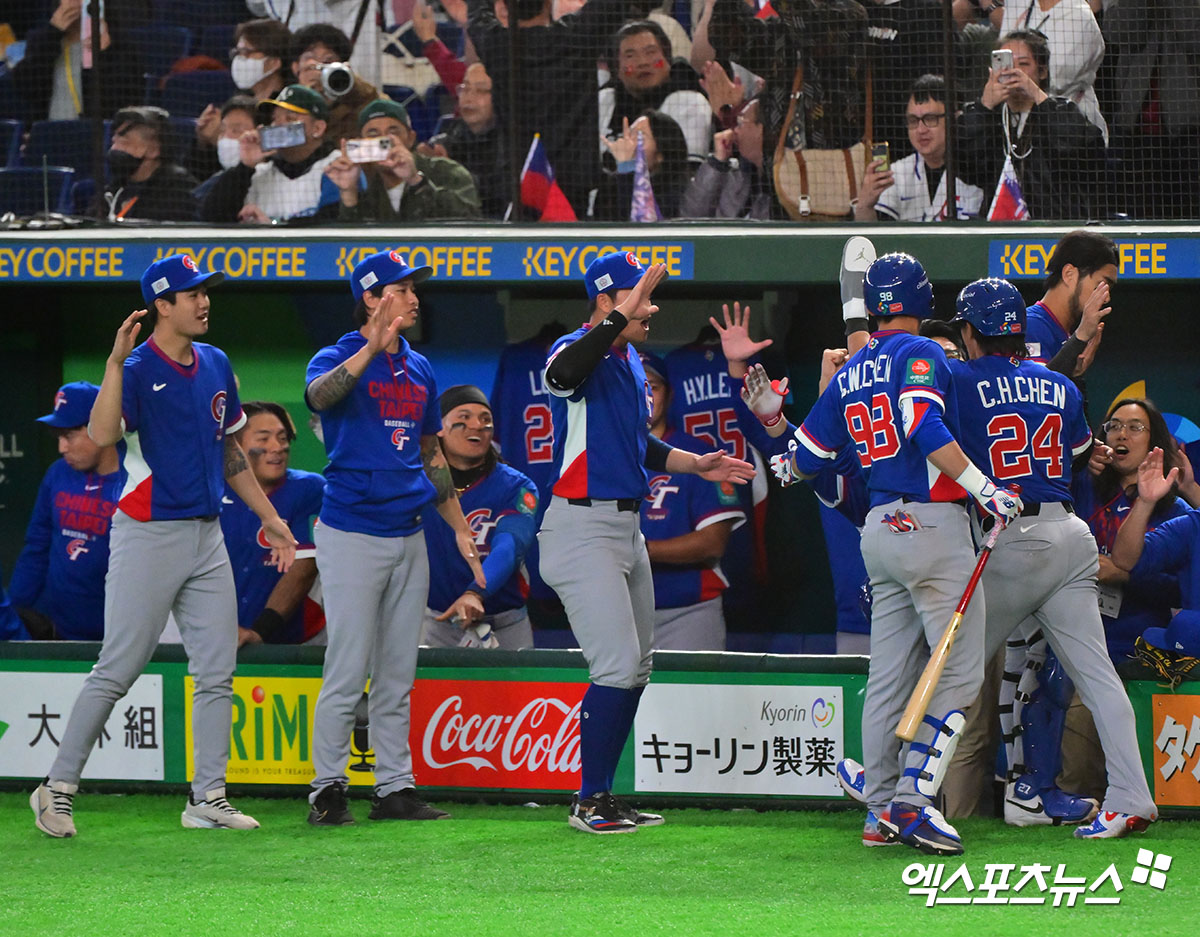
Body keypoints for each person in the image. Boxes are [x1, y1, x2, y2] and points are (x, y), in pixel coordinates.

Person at [752, 253, 1022, 855]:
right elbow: (922, 423)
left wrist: (774, 422)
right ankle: (912, 803)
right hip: (932, 526)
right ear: (922, 302)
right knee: (959, 674)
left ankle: (878, 811)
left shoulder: (851, 370)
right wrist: (987, 489)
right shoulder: (921, 351)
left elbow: (797, 464)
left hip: (879, 530)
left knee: (888, 677)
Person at [29, 254, 298, 839]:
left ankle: (208, 797)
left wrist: (270, 517)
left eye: (205, 291)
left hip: (207, 533)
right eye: (191, 293)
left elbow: (230, 452)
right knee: (118, 667)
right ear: (162, 306)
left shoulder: (216, 361)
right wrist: (113, 363)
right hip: (148, 531)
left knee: (217, 669)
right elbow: (103, 435)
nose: (204, 301)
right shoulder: (136, 366)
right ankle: (56, 788)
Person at [540, 252, 755, 833]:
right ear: (606, 302)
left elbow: (638, 442)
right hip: (580, 524)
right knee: (614, 665)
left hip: (624, 526)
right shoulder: (576, 346)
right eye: (639, 297)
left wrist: (695, 464)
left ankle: (603, 794)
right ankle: (587, 800)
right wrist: (616, 317)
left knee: (636, 669)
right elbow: (560, 377)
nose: (651, 308)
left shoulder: (630, 358)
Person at [946, 278, 1156, 839]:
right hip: (1069, 534)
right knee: (1099, 676)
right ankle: (1131, 798)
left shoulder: (959, 378)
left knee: (952, 669)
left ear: (969, 332)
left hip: (1013, 537)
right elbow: (1084, 453)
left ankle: (898, 790)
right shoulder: (1057, 384)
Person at [304, 249, 484, 826]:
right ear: (371, 297)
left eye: (413, 288)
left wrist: (459, 527)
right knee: (346, 667)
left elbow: (431, 453)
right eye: (402, 288)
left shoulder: (420, 367)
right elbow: (319, 397)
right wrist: (370, 350)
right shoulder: (337, 354)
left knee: (398, 671)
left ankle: (394, 789)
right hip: (352, 531)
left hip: (410, 532)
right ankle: (327, 790)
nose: (413, 297)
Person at [466, 0, 628, 217]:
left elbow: (477, 13)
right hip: (572, 187)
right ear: (548, 4)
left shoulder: (497, 46)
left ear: (505, 7)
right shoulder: (577, 37)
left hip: (518, 184)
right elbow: (611, 5)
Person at [1081, 398, 1200, 665]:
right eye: (1114, 426)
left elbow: (1180, 589)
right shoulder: (1082, 488)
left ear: (1153, 442)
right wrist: (1079, 461)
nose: (1122, 434)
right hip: (1077, 632)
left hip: (1141, 643)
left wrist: (1123, 576)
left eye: (1135, 427)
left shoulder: (1177, 509)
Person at [639, 353, 745, 651]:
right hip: (618, 610)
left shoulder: (699, 456)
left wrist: (639, 551)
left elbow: (713, 543)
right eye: (636, 386)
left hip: (687, 612)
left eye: (653, 387)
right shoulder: (604, 457)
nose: (646, 396)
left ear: (670, 395)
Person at [421, 385, 540, 650]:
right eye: (463, 418)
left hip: (505, 626)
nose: (477, 425)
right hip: (438, 625)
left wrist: (475, 592)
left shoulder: (515, 486)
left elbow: (509, 546)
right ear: (439, 428)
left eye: (485, 419)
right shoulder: (417, 484)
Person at [6, 382, 124, 642]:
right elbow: (37, 547)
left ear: (100, 426)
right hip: (56, 631)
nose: (62, 448)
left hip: (116, 636)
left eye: (69, 435)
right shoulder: (57, 473)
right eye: (58, 437)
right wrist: (16, 612)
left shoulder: (136, 484)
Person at [957, 30, 1106, 220]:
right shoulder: (987, 118)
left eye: (1023, 64)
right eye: (1006, 64)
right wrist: (984, 107)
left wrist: (1037, 94)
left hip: (1055, 223)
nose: (1013, 71)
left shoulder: (1061, 111)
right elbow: (967, 168)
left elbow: (1087, 153)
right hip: (999, 225)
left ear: (1042, 71)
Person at [220, 401, 325, 648]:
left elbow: (303, 569)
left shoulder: (310, 490)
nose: (277, 447)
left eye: (282, 438)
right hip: (220, 639)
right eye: (263, 438)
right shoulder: (211, 491)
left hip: (302, 644)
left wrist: (259, 632)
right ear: (235, 446)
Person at [199, 84, 341, 224]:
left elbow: (333, 222)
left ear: (317, 128)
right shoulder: (260, 173)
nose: (278, 125)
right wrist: (245, 167)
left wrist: (274, 226)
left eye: (290, 118)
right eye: (274, 119)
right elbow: (212, 217)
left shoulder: (338, 165)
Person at [325, 99, 481, 221]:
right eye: (373, 134)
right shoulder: (371, 188)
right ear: (362, 143)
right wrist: (349, 193)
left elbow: (470, 220)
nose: (385, 142)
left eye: (393, 133)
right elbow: (356, 245)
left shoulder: (446, 171)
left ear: (410, 138)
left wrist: (415, 180)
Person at [854, 75, 985, 222]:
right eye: (913, 120)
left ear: (955, 119)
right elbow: (876, 233)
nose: (921, 130)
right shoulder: (896, 174)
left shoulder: (977, 173)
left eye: (930, 119)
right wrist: (865, 206)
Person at [9, 0, 142, 125]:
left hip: (94, 133)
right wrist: (53, 32)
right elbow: (25, 87)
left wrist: (106, 53)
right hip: (50, 131)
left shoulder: (118, 44)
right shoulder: (41, 40)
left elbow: (124, 98)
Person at [598, 20, 712, 162]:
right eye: (630, 56)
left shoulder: (689, 102)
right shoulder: (604, 100)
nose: (643, 62)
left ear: (668, 60)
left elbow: (688, 169)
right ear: (616, 69)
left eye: (650, 52)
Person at [1000, 0, 1107, 138]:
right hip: (1017, 121)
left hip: (1068, 127)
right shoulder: (1019, 4)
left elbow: (1058, 81)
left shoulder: (1080, 15)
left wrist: (1015, 82)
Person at [423, 63, 510, 219]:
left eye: (481, 90)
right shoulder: (445, 140)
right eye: (465, 88)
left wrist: (450, 171)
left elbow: (498, 198)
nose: (469, 98)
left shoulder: (512, 143)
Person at [1024, 230, 1117, 375]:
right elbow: (1035, 385)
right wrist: (1080, 337)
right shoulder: (1028, 326)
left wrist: (1075, 373)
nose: (1106, 298)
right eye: (1101, 285)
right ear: (1069, 274)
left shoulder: (1063, 334)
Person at [90, 106, 198, 223]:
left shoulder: (179, 189)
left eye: (124, 143)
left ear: (154, 149)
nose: (114, 149)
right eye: (114, 142)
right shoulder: (115, 188)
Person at [680, 95, 779, 219]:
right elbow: (690, 215)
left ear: (762, 129)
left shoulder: (786, 179)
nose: (735, 131)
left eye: (740, 123)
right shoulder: (733, 176)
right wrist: (717, 163)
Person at [290, 23, 383, 146]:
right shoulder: (284, 102)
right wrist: (306, 94)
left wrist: (349, 82)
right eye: (311, 60)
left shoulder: (360, 100)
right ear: (296, 67)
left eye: (328, 61)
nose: (320, 69)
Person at [595, 109, 692, 220]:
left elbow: (640, 221)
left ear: (660, 154)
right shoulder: (610, 187)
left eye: (639, 136)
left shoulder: (681, 193)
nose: (629, 143)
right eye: (629, 134)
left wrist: (627, 167)